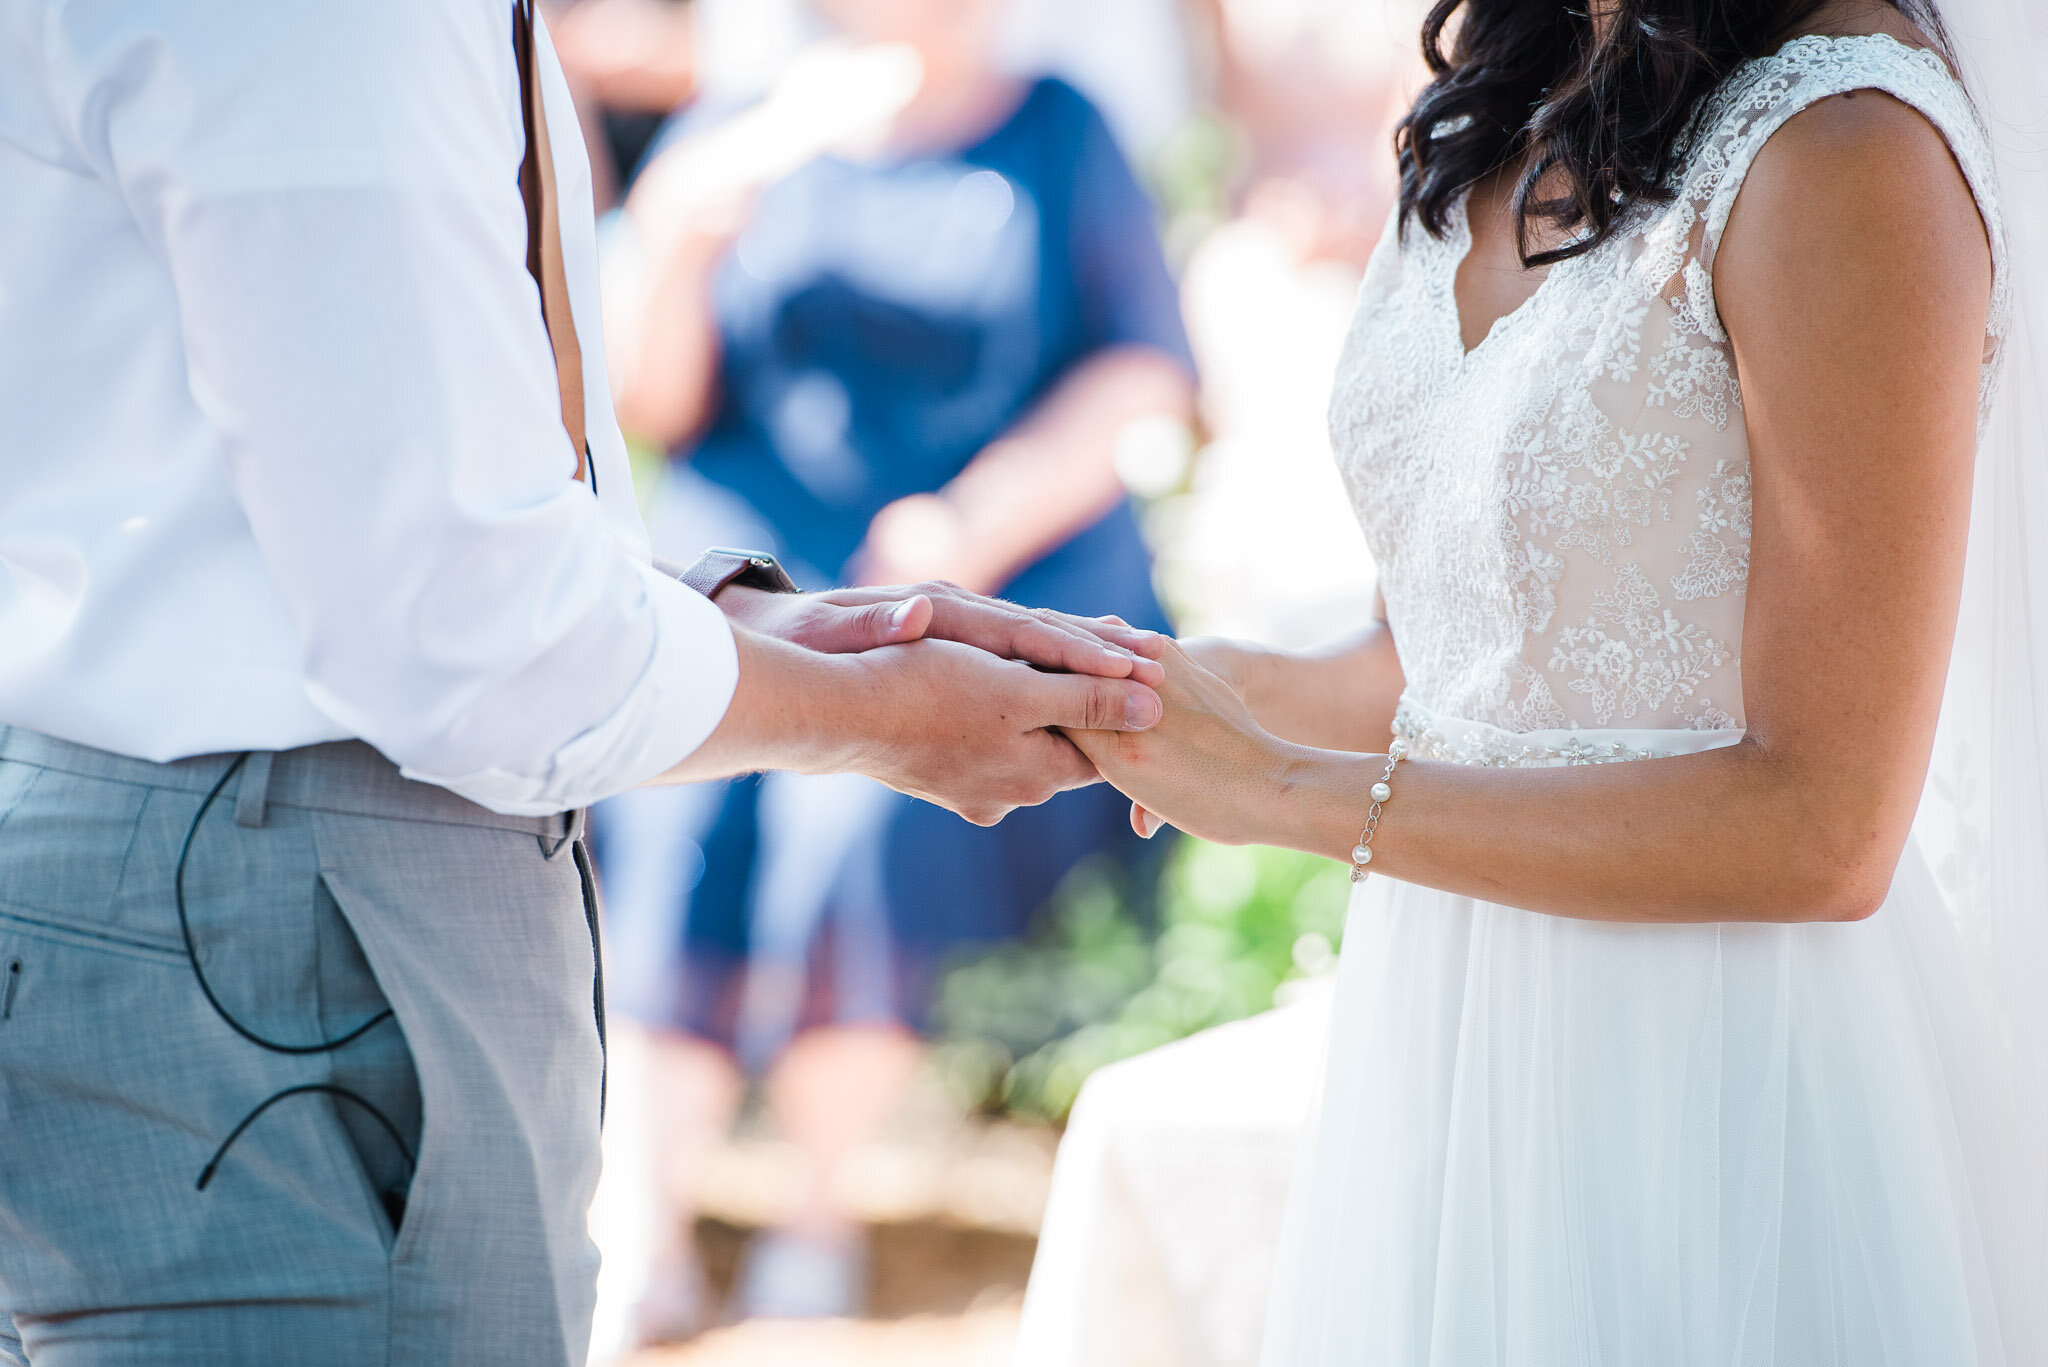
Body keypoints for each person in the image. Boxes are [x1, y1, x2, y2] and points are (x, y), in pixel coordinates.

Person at [0, 4, 1170, 1365]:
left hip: (257, 838)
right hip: (285, 903)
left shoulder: (1056, 128)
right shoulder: (350, 31)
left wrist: (745, 630)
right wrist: (875, 715)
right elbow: (466, 633)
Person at [1059, 0, 2048, 1360]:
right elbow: (1441, 665)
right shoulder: (1506, 90)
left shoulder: (1844, 145)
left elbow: (1825, 828)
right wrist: (1105, 684)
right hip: (1447, 1031)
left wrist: (1290, 793)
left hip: (1718, 1070)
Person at [591, 0, 1197, 1335]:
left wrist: (965, 526)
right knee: (675, 797)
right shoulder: (736, 128)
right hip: (747, 570)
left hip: (957, 570)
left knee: (853, 819)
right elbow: (653, 402)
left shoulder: (1056, 129)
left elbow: (1146, 372)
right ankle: (647, 1219)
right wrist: (693, 212)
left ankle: (821, 1204)